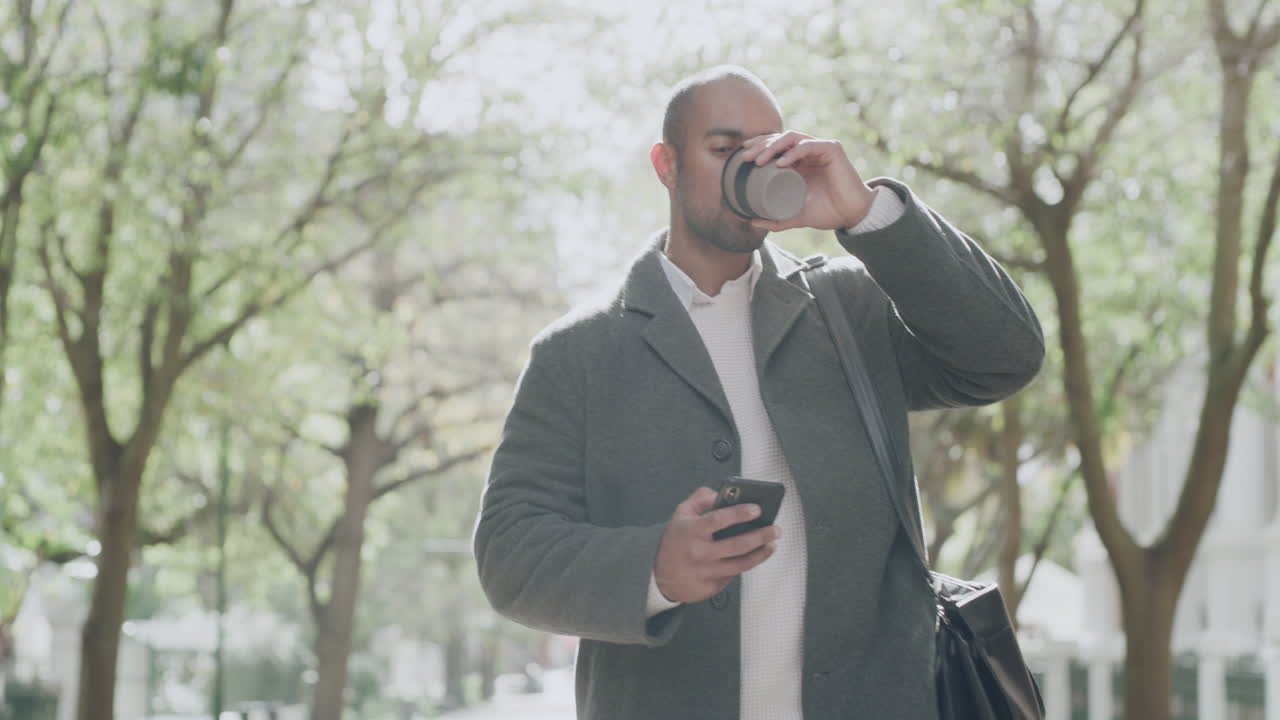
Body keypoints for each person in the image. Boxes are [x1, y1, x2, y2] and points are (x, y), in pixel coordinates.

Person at [472, 65, 1044, 720]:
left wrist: (868, 214)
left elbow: (1006, 358)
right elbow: (510, 553)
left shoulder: (848, 309)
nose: (750, 169)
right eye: (725, 149)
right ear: (667, 165)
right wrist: (654, 568)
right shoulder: (579, 352)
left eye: (767, 150)